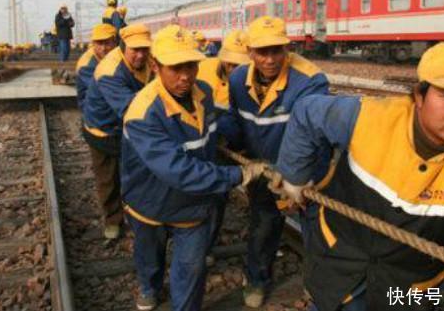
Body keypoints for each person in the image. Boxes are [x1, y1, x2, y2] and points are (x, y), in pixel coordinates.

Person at [273, 42, 444, 311]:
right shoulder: (368, 117)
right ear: (419, 96)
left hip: (407, 289)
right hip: (338, 262)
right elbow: (308, 111)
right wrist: (294, 176)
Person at [120, 24, 267, 311]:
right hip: (150, 202)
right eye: (175, 67)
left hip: (194, 207)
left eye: (191, 65)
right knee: (150, 258)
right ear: (155, 65)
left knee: (190, 272)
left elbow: (213, 132)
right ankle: (149, 287)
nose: (185, 75)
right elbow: (179, 171)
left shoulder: (203, 93)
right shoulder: (142, 113)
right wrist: (240, 174)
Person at [222, 16, 329, 308]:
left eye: (277, 50)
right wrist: (219, 134)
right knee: (263, 225)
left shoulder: (310, 81)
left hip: (306, 175)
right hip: (264, 169)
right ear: (250, 52)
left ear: (287, 48)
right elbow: (235, 121)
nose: (270, 59)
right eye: (262, 51)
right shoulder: (236, 80)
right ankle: (257, 280)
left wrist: (299, 176)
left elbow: (314, 136)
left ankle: (321, 289)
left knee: (317, 233)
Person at [82, 24, 153, 240]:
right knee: (108, 178)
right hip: (103, 130)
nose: (141, 55)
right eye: (135, 50)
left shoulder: (151, 61)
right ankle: (113, 220)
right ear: (123, 47)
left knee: (136, 173)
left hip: (128, 128)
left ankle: (139, 215)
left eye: (145, 49)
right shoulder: (109, 71)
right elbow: (132, 109)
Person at [197, 29, 250, 260]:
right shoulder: (201, 69)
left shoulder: (252, 82)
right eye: (231, 64)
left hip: (226, 143)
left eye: (241, 65)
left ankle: (205, 246)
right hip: (198, 139)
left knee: (217, 196)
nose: (235, 70)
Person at [75, 23, 117, 111]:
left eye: (107, 43)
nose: (103, 48)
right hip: (93, 108)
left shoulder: (115, 54)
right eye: (99, 44)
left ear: (115, 42)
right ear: (93, 43)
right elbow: (104, 89)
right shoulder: (86, 66)